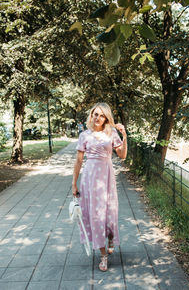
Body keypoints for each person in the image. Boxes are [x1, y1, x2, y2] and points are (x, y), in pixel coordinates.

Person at [72, 102, 127, 272]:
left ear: (106, 118)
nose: (98, 118)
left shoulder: (111, 133)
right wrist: (74, 183)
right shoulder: (84, 135)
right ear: (91, 115)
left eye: (102, 115)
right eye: (95, 114)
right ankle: (103, 255)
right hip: (89, 178)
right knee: (95, 215)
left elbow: (122, 156)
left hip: (107, 177)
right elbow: (79, 161)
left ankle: (110, 237)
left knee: (110, 213)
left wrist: (125, 136)